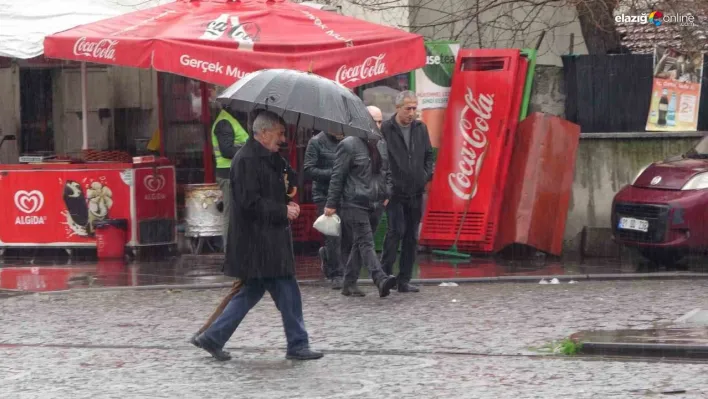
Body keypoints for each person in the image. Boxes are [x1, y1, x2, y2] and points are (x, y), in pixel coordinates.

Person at [192, 110, 323, 362]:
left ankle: (213, 337)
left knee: (255, 292)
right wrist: (281, 210)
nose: (283, 139)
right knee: (287, 291)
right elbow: (249, 202)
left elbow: (283, 186)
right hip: (258, 243)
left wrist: (289, 188)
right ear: (263, 133)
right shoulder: (246, 160)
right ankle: (297, 344)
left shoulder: (271, 157)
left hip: (269, 241)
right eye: (280, 133)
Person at [324, 131, 397, 297]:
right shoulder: (349, 144)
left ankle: (348, 284)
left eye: (380, 122)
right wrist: (331, 203)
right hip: (354, 202)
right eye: (375, 122)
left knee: (359, 243)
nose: (378, 126)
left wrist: (387, 193)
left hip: (376, 202)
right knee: (366, 242)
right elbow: (338, 175)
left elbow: (388, 172)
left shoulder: (382, 144)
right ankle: (380, 278)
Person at [380, 91, 434, 293]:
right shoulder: (386, 128)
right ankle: (384, 275)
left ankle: (404, 279)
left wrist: (425, 175)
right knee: (395, 232)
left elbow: (429, 155)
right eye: (408, 108)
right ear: (398, 108)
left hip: (415, 190)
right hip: (394, 192)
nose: (412, 113)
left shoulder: (420, 128)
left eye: (414, 108)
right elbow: (380, 158)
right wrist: (387, 185)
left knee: (411, 235)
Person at [304, 130, 345, 289]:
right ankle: (337, 273)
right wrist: (334, 173)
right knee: (333, 234)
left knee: (346, 233)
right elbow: (308, 170)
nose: (340, 131)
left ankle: (328, 256)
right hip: (324, 194)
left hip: (345, 193)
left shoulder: (349, 142)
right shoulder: (316, 142)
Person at [211, 106, 249, 252]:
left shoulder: (230, 121)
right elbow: (226, 151)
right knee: (230, 213)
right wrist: (248, 149)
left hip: (234, 174)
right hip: (228, 175)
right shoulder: (224, 122)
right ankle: (230, 250)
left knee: (237, 212)